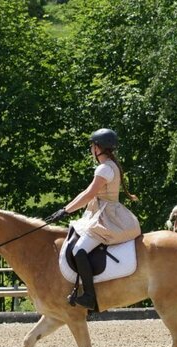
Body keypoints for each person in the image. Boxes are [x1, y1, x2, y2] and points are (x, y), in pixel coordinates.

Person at [48, 128, 140, 311]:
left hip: (107, 217)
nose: (91, 149)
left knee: (79, 250)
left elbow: (90, 193)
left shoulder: (105, 168)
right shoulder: (109, 166)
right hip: (101, 212)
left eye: (92, 145)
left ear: (98, 148)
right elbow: (86, 193)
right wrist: (64, 209)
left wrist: (66, 211)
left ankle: (90, 295)